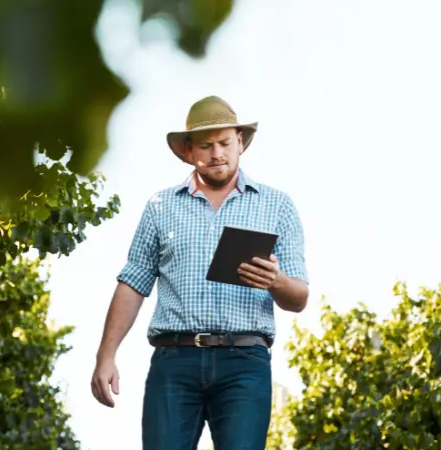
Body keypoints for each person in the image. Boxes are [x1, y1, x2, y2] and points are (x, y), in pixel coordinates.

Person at [90, 95, 309, 449]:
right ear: (188, 151)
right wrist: (105, 356)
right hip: (174, 362)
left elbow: (298, 297)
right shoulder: (160, 207)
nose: (217, 153)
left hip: (245, 364)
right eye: (205, 146)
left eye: (224, 143)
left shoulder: (277, 206)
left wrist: (276, 281)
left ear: (240, 141)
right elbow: (133, 283)